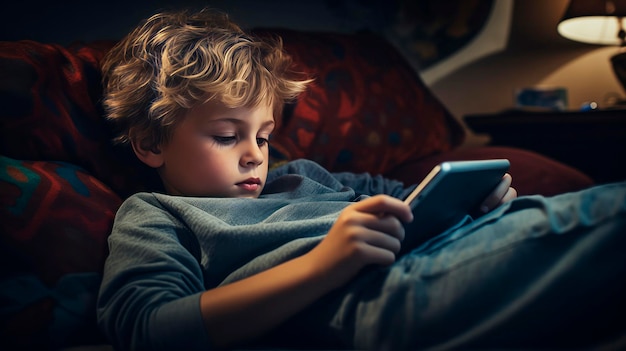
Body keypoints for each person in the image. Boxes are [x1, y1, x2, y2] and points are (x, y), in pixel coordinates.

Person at [96, 8, 626, 351]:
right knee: (602, 218)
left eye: (262, 136)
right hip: (373, 298)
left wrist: (476, 204)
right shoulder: (154, 213)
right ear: (151, 143)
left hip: (446, 253)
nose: (254, 156)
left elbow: (409, 202)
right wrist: (323, 267)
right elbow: (148, 329)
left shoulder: (305, 176)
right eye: (226, 136)